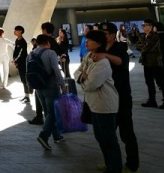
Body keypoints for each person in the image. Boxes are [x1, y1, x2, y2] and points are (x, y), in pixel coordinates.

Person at [75, 30, 122, 173]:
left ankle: (115, 169)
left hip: (104, 105)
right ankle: (109, 166)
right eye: (86, 39)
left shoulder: (103, 62)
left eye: (89, 40)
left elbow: (91, 85)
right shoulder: (88, 56)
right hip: (93, 104)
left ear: (99, 44)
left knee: (109, 139)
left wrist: (83, 80)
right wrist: (83, 76)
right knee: (100, 138)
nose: (86, 42)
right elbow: (76, 72)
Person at [96, 22, 139, 173]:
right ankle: (111, 163)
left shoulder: (120, 48)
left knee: (126, 133)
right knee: (106, 135)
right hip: (105, 98)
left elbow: (121, 62)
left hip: (122, 96)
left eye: (104, 33)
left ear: (113, 35)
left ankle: (132, 166)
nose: (101, 36)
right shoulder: (99, 49)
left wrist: (105, 56)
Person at [28, 34, 67, 150]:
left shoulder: (31, 53)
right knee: (53, 112)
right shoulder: (51, 53)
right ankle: (44, 136)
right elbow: (56, 70)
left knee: (47, 112)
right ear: (48, 43)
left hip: (38, 86)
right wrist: (62, 85)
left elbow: (27, 70)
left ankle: (56, 136)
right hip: (51, 86)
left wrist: (30, 85)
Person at [137, 19, 164, 109]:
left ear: (151, 27)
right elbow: (138, 45)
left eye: (145, 25)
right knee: (149, 82)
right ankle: (152, 101)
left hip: (155, 63)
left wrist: (141, 46)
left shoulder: (154, 36)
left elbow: (145, 48)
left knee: (160, 82)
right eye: (143, 25)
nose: (143, 27)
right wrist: (141, 46)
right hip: (146, 63)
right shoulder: (145, 36)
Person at [12, 25, 29, 102]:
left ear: (20, 31)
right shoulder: (17, 40)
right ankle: (26, 95)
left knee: (24, 79)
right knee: (22, 79)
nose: (14, 32)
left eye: (16, 30)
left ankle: (27, 96)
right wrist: (14, 59)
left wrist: (16, 61)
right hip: (19, 62)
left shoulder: (23, 42)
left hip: (23, 63)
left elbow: (22, 53)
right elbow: (15, 51)